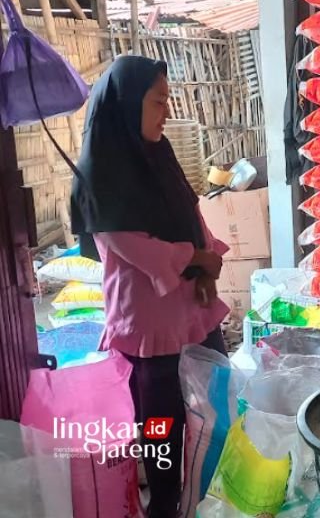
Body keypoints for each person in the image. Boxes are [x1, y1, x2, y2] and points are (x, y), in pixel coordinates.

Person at [70, 56, 229, 517]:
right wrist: (197, 260)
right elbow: (129, 244)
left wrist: (206, 264)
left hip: (193, 310)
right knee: (161, 422)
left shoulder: (159, 154)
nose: (165, 111)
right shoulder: (99, 176)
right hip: (148, 323)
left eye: (166, 100)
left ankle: (201, 493)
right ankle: (162, 504)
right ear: (125, 105)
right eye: (157, 101)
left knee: (210, 403)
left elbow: (189, 210)